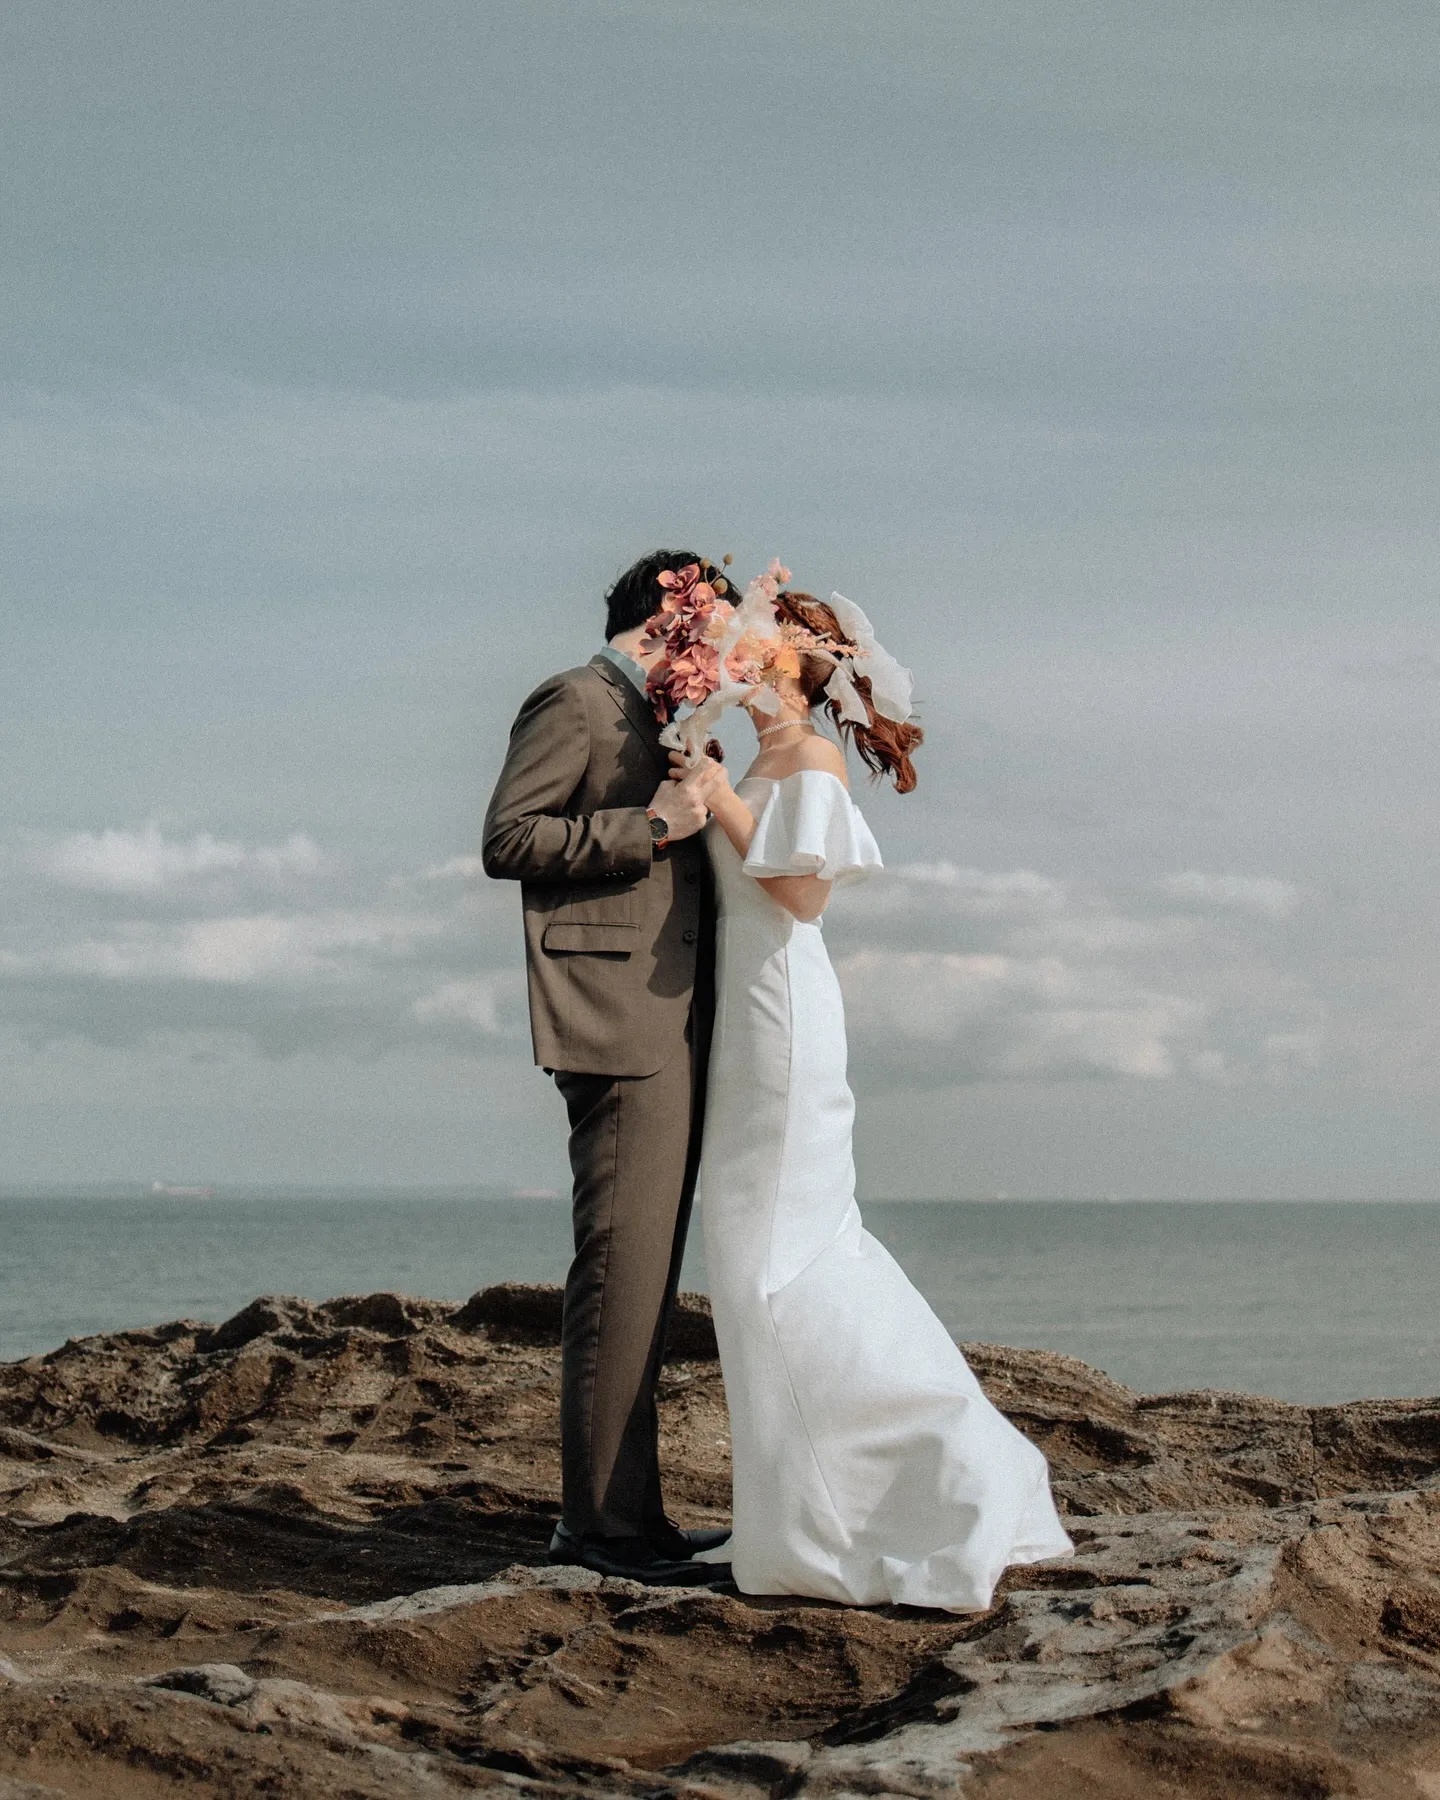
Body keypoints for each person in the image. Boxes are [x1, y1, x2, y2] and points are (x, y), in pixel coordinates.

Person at [680, 589, 1074, 1609]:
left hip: (783, 1018)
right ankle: (803, 1510)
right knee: (759, 1257)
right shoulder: (762, 760)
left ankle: (865, 1510)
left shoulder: (810, 761)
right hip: (740, 1016)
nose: (739, 653)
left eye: (758, 645)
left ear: (798, 669)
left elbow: (800, 894)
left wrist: (713, 796)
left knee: (775, 1260)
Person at [481, 550, 733, 1587]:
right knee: (619, 1276)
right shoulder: (576, 702)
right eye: (712, 631)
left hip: (671, 1018)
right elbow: (507, 837)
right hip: (616, 1021)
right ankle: (598, 1534)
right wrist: (650, 828)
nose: (722, 655)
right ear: (664, 618)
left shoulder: (662, 717)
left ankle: (633, 1518)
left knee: (646, 1279)